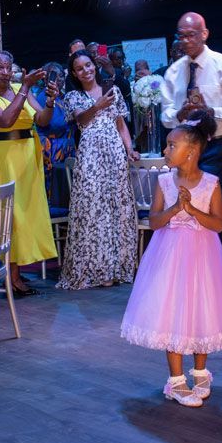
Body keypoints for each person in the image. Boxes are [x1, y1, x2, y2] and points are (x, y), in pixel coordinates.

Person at [120, 109, 222, 407]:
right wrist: (175, 209)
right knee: (173, 311)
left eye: (172, 145)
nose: (165, 150)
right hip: (170, 256)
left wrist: (193, 210)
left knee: (201, 309)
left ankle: (200, 371)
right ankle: (176, 380)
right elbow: (154, 222)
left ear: (191, 151)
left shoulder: (210, 182)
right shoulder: (164, 181)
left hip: (203, 256)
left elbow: (218, 224)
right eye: (167, 145)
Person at [0, 51, 59, 295]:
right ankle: (9, 275)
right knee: (8, 215)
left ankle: (16, 272)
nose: (6, 72)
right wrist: (25, 87)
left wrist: (50, 102)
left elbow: (42, 120)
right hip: (3, 159)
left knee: (26, 213)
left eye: (8, 67)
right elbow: (5, 120)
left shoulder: (20, 89)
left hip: (27, 157)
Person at [58, 50, 138, 290]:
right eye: (80, 68)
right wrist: (97, 105)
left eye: (88, 65)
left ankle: (116, 267)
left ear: (95, 65)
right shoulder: (73, 96)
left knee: (116, 207)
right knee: (93, 208)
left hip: (114, 152)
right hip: (91, 155)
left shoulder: (112, 90)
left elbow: (121, 124)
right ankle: (95, 269)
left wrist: (129, 149)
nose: (86, 70)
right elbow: (81, 121)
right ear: (74, 73)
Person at [159, 12, 222, 179]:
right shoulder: (173, 72)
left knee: (206, 192)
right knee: (183, 192)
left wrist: (211, 112)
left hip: (215, 144)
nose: (186, 40)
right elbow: (165, 115)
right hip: (182, 145)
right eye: (181, 36)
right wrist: (179, 114)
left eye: (191, 35)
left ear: (204, 34)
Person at [32, 61, 74, 210]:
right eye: (54, 76)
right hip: (52, 148)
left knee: (66, 185)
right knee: (53, 186)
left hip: (65, 146)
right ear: (45, 78)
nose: (59, 79)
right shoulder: (44, 97)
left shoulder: (62, 95)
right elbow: (54, 123)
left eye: (61, 75)